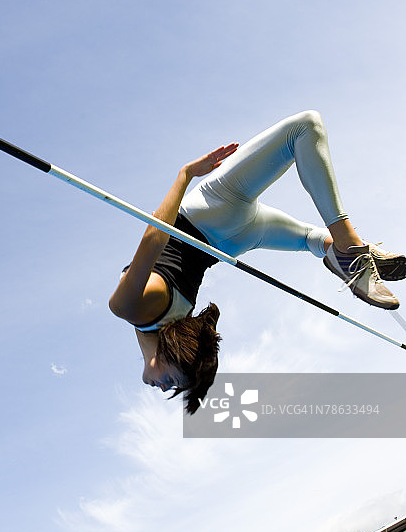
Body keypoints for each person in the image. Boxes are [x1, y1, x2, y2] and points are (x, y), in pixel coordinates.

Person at [108, 111, 404, 414]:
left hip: (228, 240)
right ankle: (348, 248)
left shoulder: (155, 317)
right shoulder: (139, 313)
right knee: (303, 128)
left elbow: (155, 239)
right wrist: (184, 174)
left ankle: (343, 251)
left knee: (309, 239)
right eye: (174, 383)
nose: (166, 387)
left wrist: (186, 174)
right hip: (211, 216)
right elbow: (154, 239)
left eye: (171, 381)